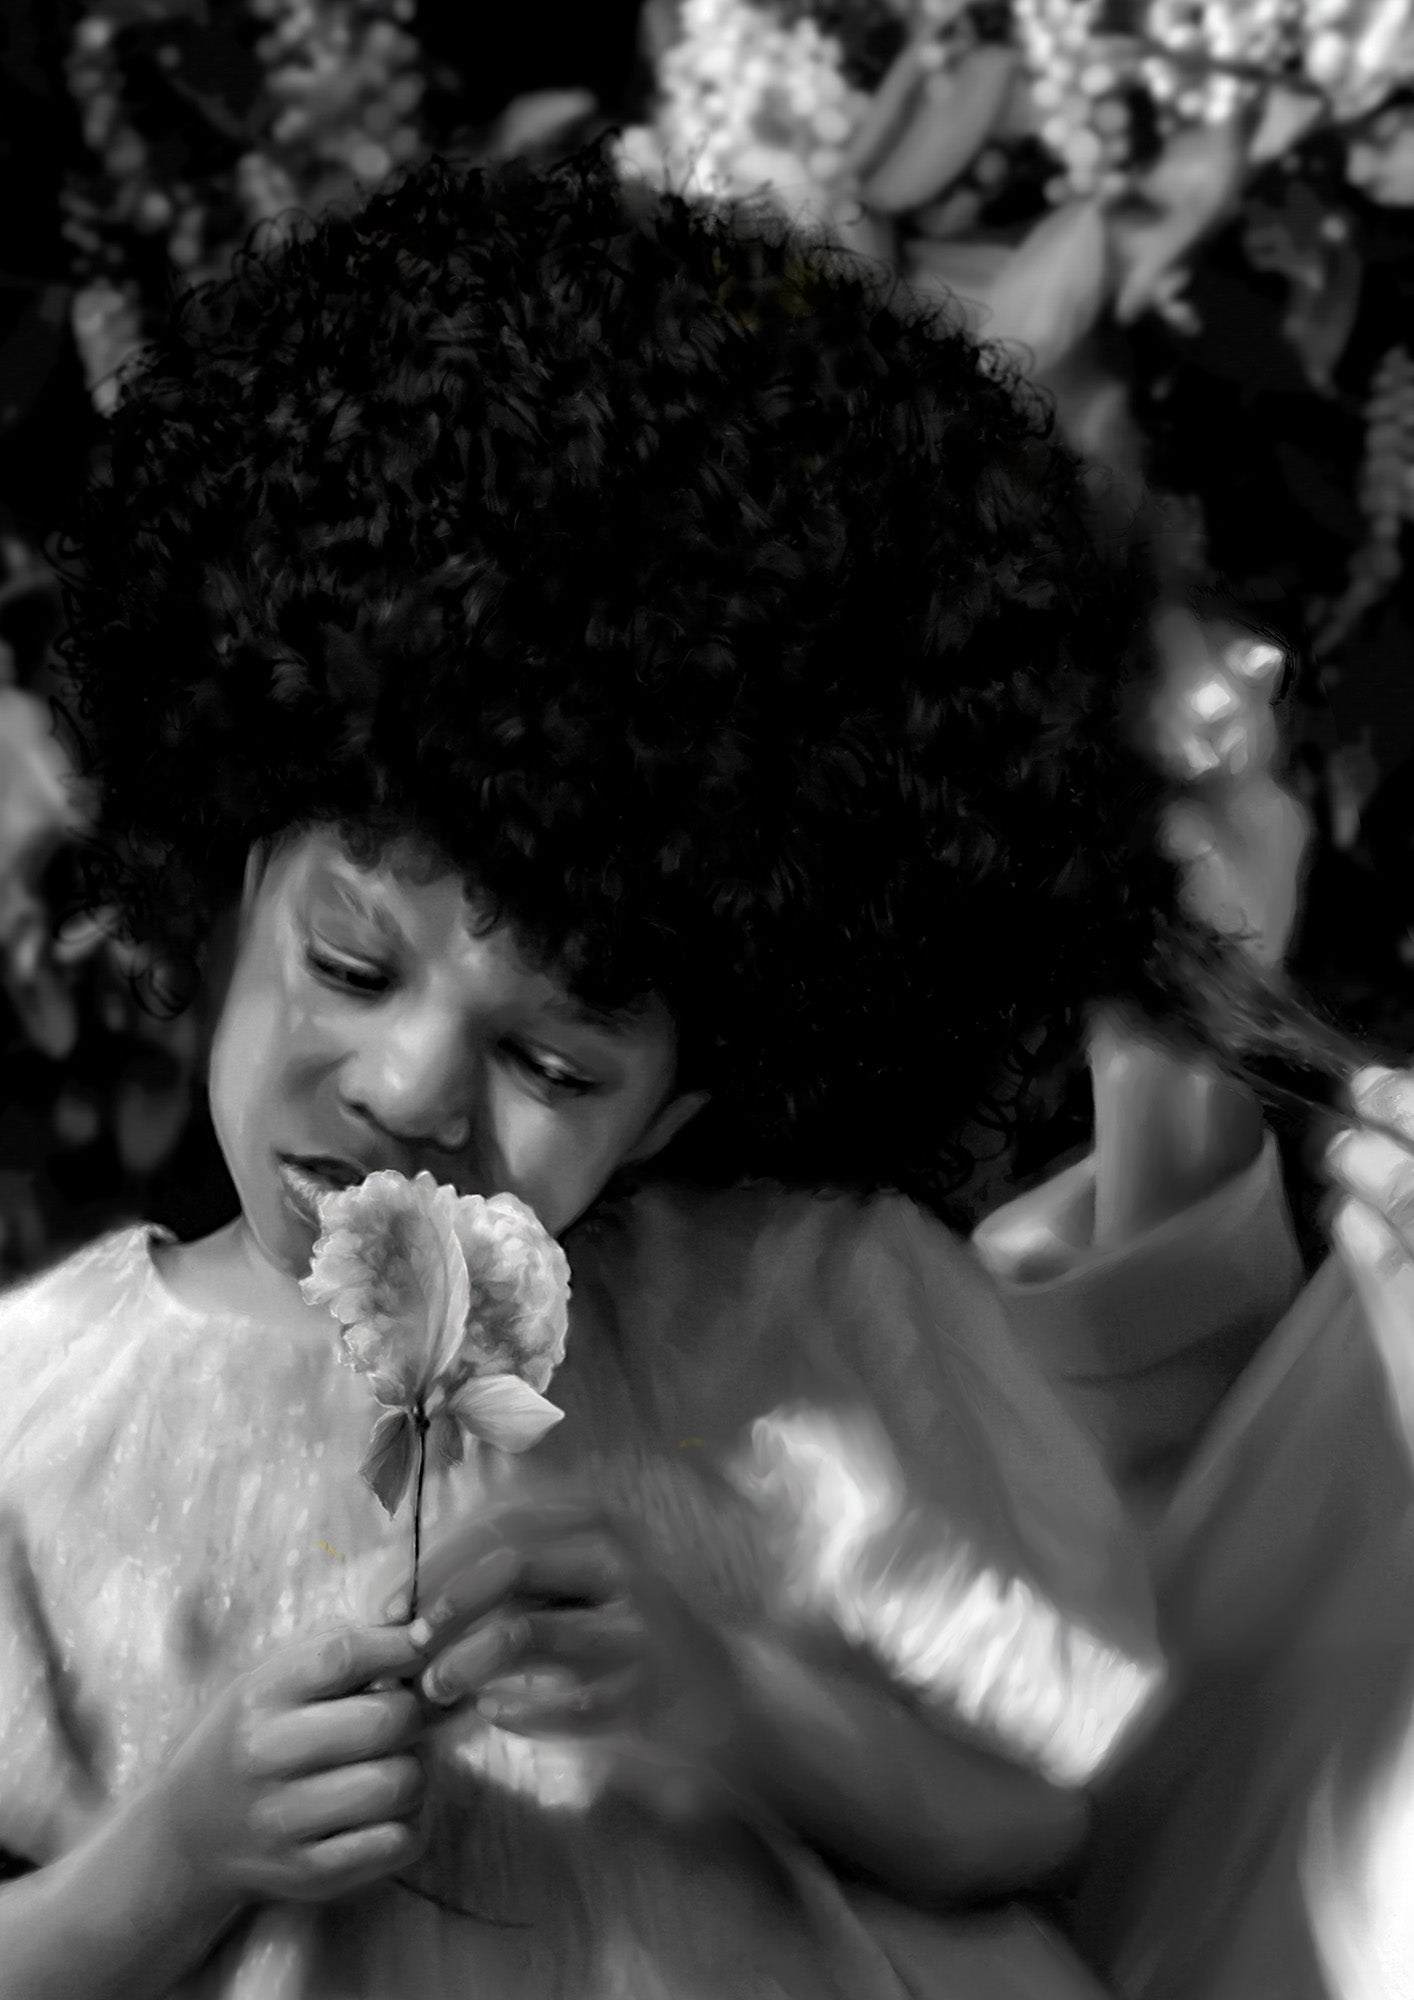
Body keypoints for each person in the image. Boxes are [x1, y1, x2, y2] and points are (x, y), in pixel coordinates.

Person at [0, 138, 1374, 1998]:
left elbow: (1032, 1825)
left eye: (553, 1059)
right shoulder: (37, 1423)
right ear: (229, 862)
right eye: (350, 961)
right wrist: (170, 1857)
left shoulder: (817, 1320)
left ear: (694, 1096)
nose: (411, 1086)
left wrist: (733, 1704)